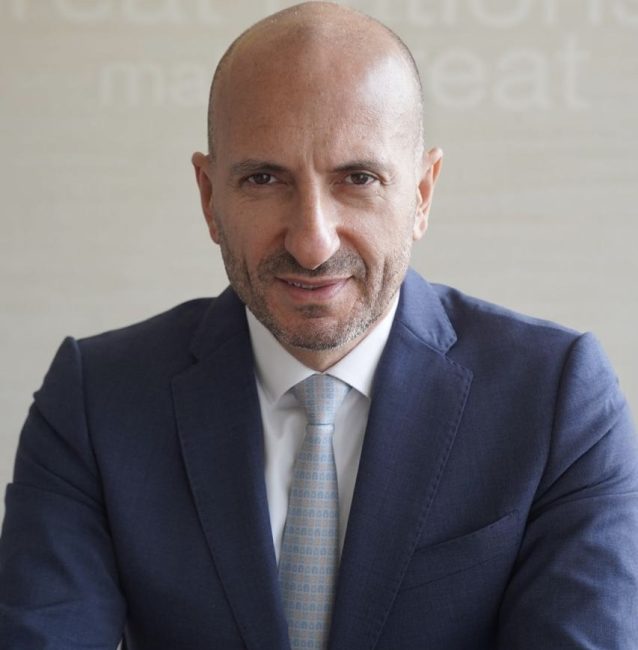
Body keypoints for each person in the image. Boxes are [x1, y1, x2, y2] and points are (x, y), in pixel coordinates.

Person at [1, 2, 637, 649]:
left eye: (358, 178)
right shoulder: (95, 401)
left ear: (421, 194)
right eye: (264, 178)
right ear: (209, 197)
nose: (312, 242)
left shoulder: (556, 399)